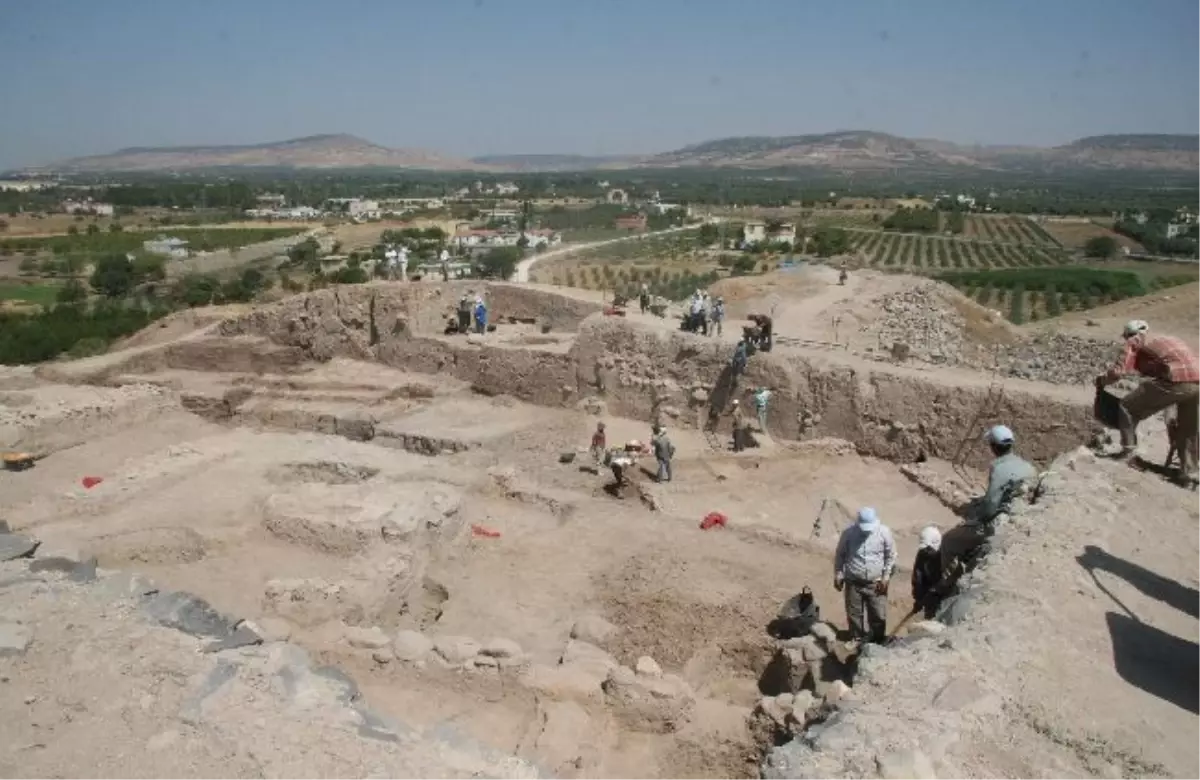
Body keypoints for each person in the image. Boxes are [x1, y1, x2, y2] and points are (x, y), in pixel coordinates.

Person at [1096, 320, 1200, 484]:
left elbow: (1119, 372)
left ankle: (1127, 453)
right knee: (1188, 428)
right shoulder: (1165, 338)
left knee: (1127, 407)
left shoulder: (1135, 340)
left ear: (1129, 334)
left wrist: (1102, 381)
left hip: (1176, 379)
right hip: (1197, 381)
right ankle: (1189, 471)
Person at [940, 425, 1038, 578]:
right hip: (1023, 515)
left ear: (993, 447)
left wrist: (977, 518)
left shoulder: (998, 469)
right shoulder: (1028, 467)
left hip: (1002, 521)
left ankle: (947, 583)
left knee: (949, 540)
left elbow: (989, 509)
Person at [833, 507, 896, 644]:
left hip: (876, 582)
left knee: (878, 614)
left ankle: (877, 640)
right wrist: (838, 574)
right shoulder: (848, 533)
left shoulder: (884, 533)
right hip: (853, 581)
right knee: (854, 613)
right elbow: (840, 554)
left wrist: (885, 578)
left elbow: (890, 556)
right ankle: (857, 638)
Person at [910, 526, 944, 619]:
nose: (926, 551)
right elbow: (918, 579)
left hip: (945, 596)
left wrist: (936, 589)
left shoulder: (945, 553)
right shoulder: (922, 554)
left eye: (929, 548)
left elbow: (950, 575)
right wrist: (918, 599)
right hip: (930, 598)